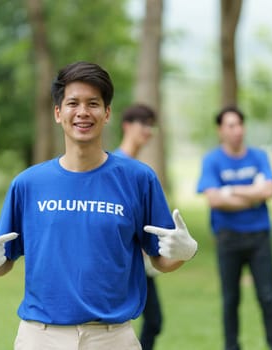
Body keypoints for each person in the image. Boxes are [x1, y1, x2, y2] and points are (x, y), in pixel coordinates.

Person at [0, 61, 198, 350]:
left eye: (93, 103)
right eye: (73, 103)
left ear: (107, 112)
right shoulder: (28, 184)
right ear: (57, 112)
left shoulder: (138, 180)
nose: (83, 112)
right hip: (40, 336)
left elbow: (162, 258)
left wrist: (185, 253)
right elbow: (3, 262)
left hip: (113, 337)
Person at [196, 105, 272, 350]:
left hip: (259, 238)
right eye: (231, 125)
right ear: (220, 130)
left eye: (240, 125)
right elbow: (214, 199)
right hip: (228, 239)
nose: (237, 131)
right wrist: (253, 195)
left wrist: (230, 190)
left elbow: (269, 190)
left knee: (267, 297)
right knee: (230, 299)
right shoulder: (212, 160)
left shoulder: (259, 156)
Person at [113, 103, 163, 350]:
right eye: (142, 123)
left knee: (154, 321)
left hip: (142, 259)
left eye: (150, 125)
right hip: (124, 258)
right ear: (126, 126)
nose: (148, 130)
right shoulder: (117, 166)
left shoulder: (140, 169)